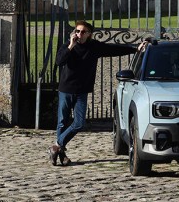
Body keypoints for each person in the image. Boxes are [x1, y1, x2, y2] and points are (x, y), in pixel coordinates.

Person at [48, 20, 144, 166]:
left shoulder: (94, 47)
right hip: (66, 89)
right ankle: (61, 154)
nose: (79, 34)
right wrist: (71, 46)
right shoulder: (67, 45)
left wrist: (135, 48)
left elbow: (114, 49)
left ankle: (56, 145)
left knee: (79, 123)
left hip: (81, 91)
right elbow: (59, 61)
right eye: (77, 31)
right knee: (62, 122)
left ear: (89, 34)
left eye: (83, 32)